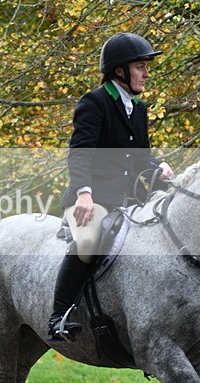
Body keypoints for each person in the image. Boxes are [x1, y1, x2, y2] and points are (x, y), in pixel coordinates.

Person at [48, 32, 174, 341]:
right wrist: (84, 194)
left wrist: (158, 166)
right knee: (89, 240)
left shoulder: (138, 109)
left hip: (130, 199)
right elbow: (80, 153)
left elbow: (140, 157)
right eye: (140, 67)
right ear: (120, 70)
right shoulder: (95, 102)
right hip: (93, 198)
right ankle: (59, 315)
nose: (146, 74)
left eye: (146, 67)